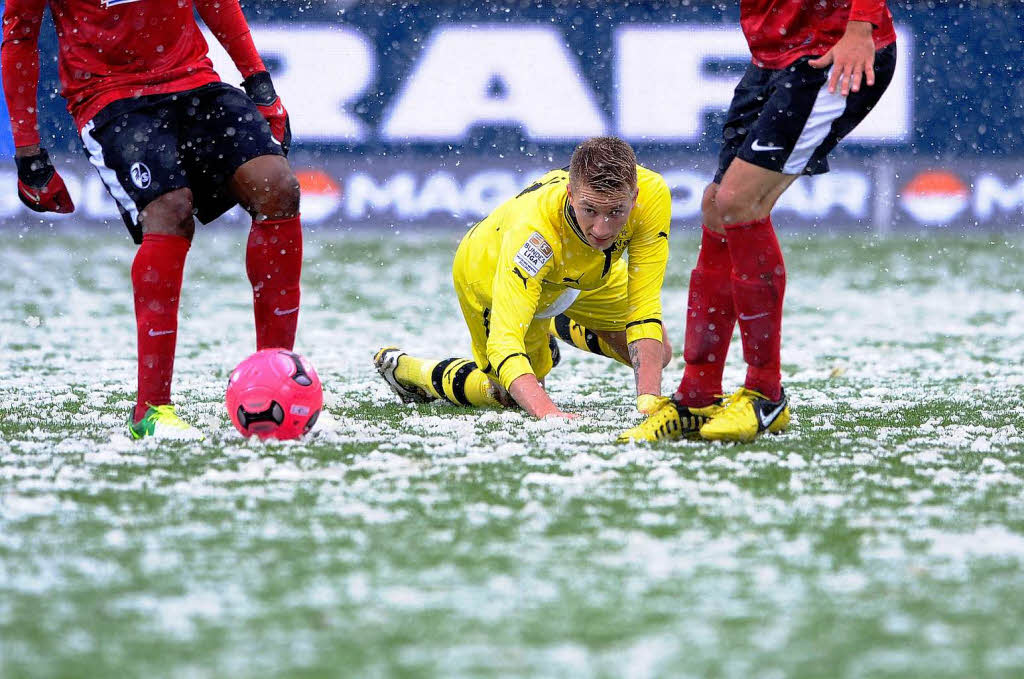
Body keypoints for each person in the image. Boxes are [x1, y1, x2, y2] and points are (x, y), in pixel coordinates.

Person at [2, 0, 303, 440]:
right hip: (110, 98)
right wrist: (28, 152)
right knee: (170, 212)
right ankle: (151, 410)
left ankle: (278, 383)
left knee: (278, 188)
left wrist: (259, 83)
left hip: (195, 83)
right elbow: (19, 37)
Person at [619, 0, 896, 443]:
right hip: (774, 57)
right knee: (716, 205)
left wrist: (860, 26)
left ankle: (766, 394)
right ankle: (697, 396)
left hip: (831, 52)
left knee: (739, 202)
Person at [374, 136, 672, 419]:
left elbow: (644, 307)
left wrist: (649, 402)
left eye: (616, 211)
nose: (602, 229)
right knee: (510, 396)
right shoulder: (533, 236)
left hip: (584, 272)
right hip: (486, 272)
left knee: (658, 356)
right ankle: (410, 371)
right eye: (589, 210)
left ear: (634, 197)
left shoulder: (653, 194)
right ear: (570, 194)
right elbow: (504, 344)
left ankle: (554, 322)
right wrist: (550, 414)